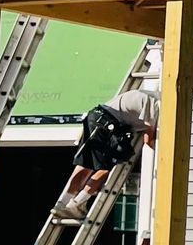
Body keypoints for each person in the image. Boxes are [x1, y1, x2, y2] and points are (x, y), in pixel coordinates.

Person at [54, 83, 159, 221]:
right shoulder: (157, 106)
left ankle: (62, 204)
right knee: (105, 167)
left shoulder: (149, 96)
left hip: (96, 117)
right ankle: (77, 204)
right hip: (108, 125)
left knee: (85, 164)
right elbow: (148, 139)